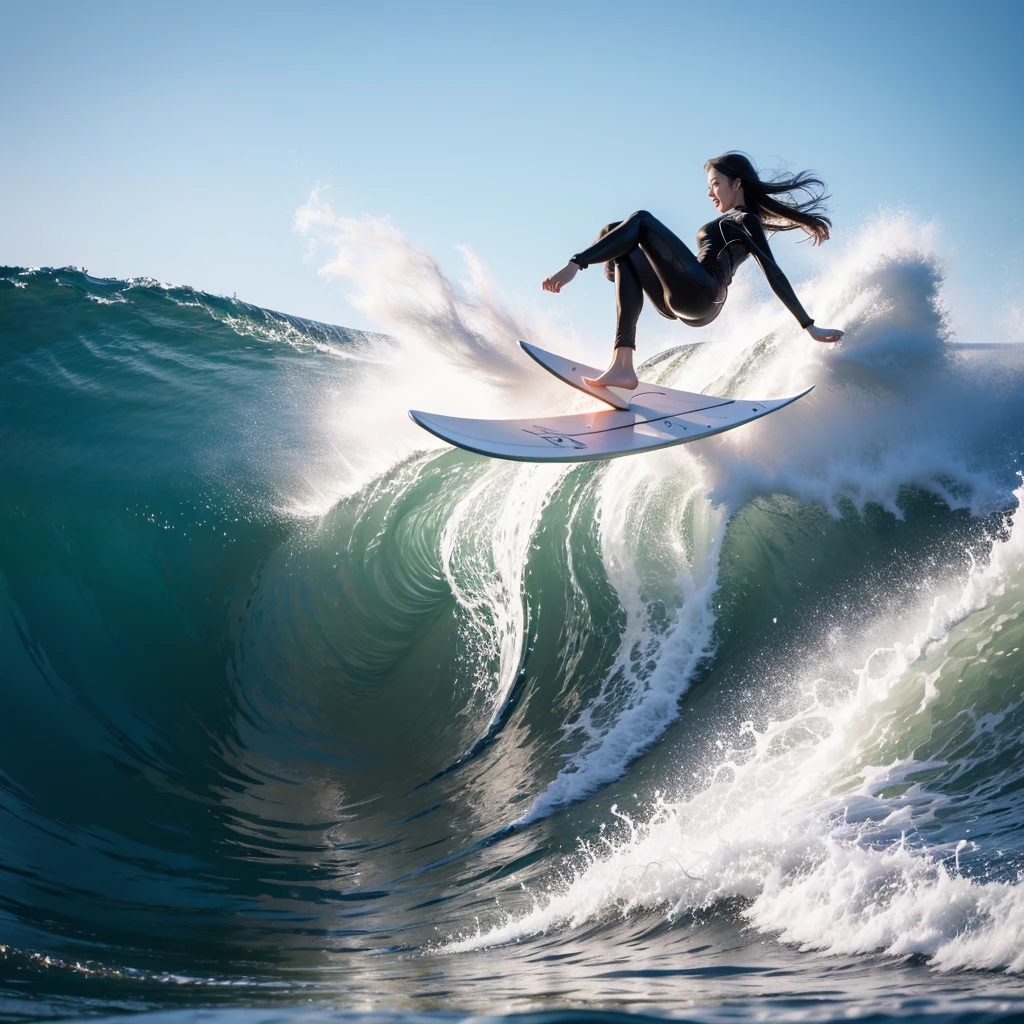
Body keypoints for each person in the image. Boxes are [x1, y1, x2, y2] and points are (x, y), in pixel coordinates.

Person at [542, 152, 844, 389]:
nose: (711, 193)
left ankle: (575, 265)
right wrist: (614, 261)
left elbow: (773, 272)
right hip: (684, 300)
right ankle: (622, 366)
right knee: (617, 235)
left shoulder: (745, 220)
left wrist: (808, 325)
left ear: (737, 183)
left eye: (715, 183)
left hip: (703, 292)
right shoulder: (733, 220)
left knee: (642, 220)